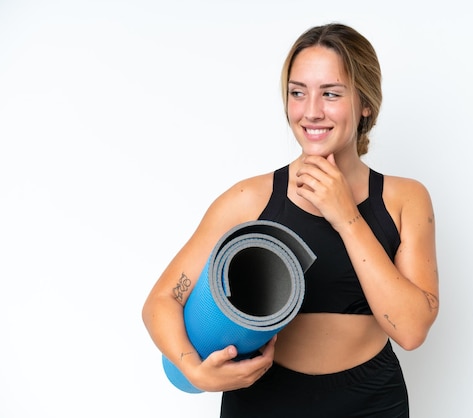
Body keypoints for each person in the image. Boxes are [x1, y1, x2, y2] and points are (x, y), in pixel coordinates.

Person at [142, 22, 439, 417]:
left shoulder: (405, 199)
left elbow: (411, 330)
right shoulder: (249, 199)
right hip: (264, 399)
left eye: (330, 94)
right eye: (297, 93)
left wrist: (347, 216)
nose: (311, 111)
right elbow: (162, 300)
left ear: (365, 102)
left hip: (371, 401)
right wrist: (192, 369)